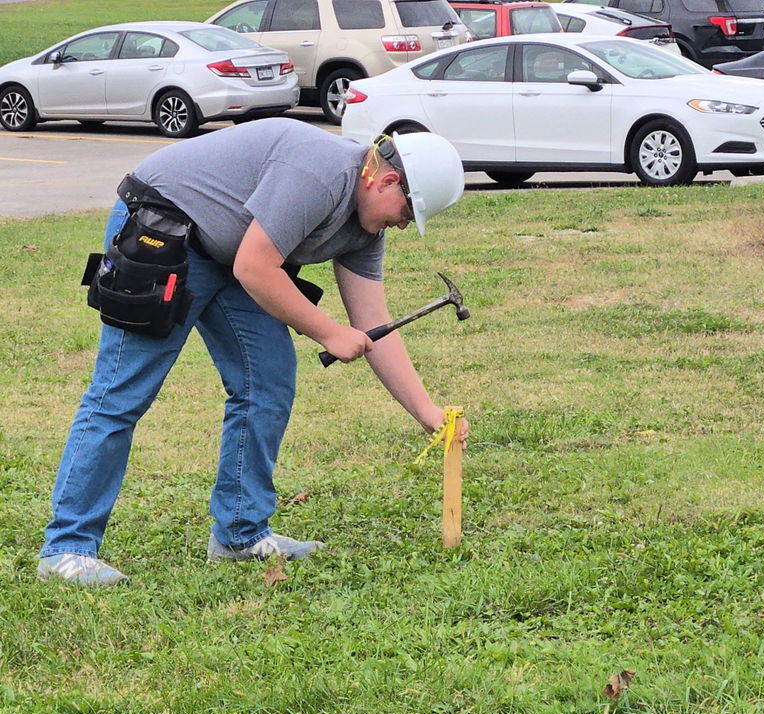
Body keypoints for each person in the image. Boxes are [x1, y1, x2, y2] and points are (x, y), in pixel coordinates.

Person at [37, 118, 468, 586]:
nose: (402, 225)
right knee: (122, 391)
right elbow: (256, 267)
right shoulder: (321, 174)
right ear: (385, 181)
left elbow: (372, 321)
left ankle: (239, 534)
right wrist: (327, 332)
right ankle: (67, 549)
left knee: (268, 381)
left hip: (232, 253)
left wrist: (426, 412)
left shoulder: (366, 231)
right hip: (165, 225)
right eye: (407, 212)